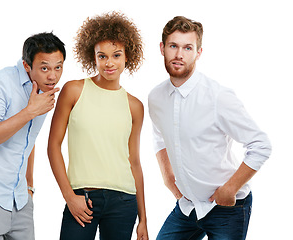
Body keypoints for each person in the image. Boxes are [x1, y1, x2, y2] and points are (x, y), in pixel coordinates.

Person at [148, 16, 272, 240]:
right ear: (162, 48)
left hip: (227, 207)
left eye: (188, 47)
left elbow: (261, 145)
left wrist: (230, 188)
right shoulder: (156, 97)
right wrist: (167, 176)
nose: (179, 54)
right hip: (188, 206)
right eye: (173, 46)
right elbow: (159, 134)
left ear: (198, 53)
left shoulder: (218, 97)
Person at [47, 12, 149, 240]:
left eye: (116, 55)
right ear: (93, 57)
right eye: (102, 56)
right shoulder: (74, 90)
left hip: (124, 202)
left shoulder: (135, 106)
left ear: (127, 57)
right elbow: (53, 146)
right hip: (83, 198)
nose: (109, 63)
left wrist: (143, 219)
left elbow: (134, 162)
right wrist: (69, 197)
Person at [0, 32, 66, 240]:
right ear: (27, 66)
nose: (52, 76)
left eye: (58, 67)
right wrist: (29, 112)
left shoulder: (44, 90)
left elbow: (28, 139)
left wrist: (29, 186)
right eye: (44, 68)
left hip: (20, 200)